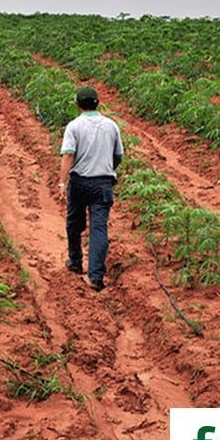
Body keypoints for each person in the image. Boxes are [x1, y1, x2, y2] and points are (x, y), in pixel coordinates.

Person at [56, 86, 123, 292]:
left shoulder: (74, 126)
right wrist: (106, 168)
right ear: (98, 103)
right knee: (99, 229)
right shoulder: (111, 126)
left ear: (78, 104)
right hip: (103, 183)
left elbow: (68, 155)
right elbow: (118, 155)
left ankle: (75, 261)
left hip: (79, 182)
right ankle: (96, 277)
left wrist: (62, 182)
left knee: (74, 222)